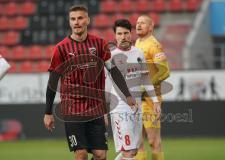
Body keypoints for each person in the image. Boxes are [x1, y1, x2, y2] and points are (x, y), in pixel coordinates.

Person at [43, 5, 136, 160]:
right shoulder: (61, 48)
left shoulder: (99, 44)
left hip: (95, 108)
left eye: (80, 18)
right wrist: (48, 112)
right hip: (73, 108)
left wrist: (127, 95)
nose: (76, 22)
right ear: (69, 22)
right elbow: (52, 82)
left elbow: (113, 71)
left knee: (100, 155)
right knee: (81, 154)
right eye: (73, 19)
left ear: (88, 20)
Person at [109, 19, 161, 160]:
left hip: (137, 107)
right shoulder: (110, 56)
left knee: (133, 151)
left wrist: (155, 101)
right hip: (119, 108)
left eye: (126, 33)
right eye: (119, 33)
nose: (123, 36)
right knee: (127, 151)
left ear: (131, 34)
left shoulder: (138, 53)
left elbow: (146, 79)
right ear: (115, 35)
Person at [134, 15, 170, 160]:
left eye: (142, 23)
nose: (138, 25)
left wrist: (146, 87)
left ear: (151, 27)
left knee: (153, 141)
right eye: (137, 23)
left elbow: (165, 71)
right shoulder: (137, 42)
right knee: (138, 142)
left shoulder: (154, 45)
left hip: (150, 99)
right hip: (137, 99)